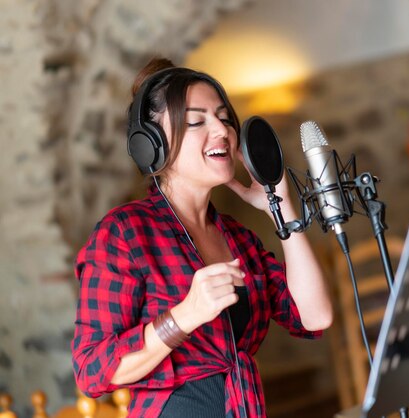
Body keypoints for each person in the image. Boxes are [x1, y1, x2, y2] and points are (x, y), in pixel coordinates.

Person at [71, 57, 333, 418]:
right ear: (153, 145)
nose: (222, 130)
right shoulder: (124, 234)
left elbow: (314, 317)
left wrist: (281, 207)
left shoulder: (238, 239)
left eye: (225, 117)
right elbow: (92, 370)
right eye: (197, 121)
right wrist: (183, 316)